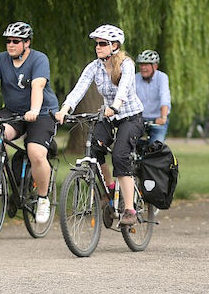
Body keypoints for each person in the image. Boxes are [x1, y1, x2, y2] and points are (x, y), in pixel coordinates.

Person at [0, 21, 59, 224]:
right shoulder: (0, 60)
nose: (11, 44)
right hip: (14, 111)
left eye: (16, 41)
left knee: (35, 152)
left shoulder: (39, 59)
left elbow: (38, 85)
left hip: (41, 112)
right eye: (8, 41)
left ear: (27, 43)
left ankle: (43, 198)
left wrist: (34, 110)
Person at [55, 25, 144, 226]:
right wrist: (64, 109)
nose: (98, 47)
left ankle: (129, 209)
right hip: (109, 116)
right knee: (94, 149)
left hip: (130, 117)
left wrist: (115, 105)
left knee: (120, 155)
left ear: (114, 46)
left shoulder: (126, 64)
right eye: (96, 44)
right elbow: (79, 89)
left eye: (102, 44)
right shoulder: (94, 67)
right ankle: (111, 189)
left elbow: (124, 87)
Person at [135, 49, 171, 142]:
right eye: (141, 64)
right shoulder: (135, 78)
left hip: (157, 119)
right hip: (139, 119)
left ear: (155, 66)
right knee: (130, 144)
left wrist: (163, 118)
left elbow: (165, 97)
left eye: (146, 64)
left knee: (156, 147)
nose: (143, 67)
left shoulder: (162, 77)